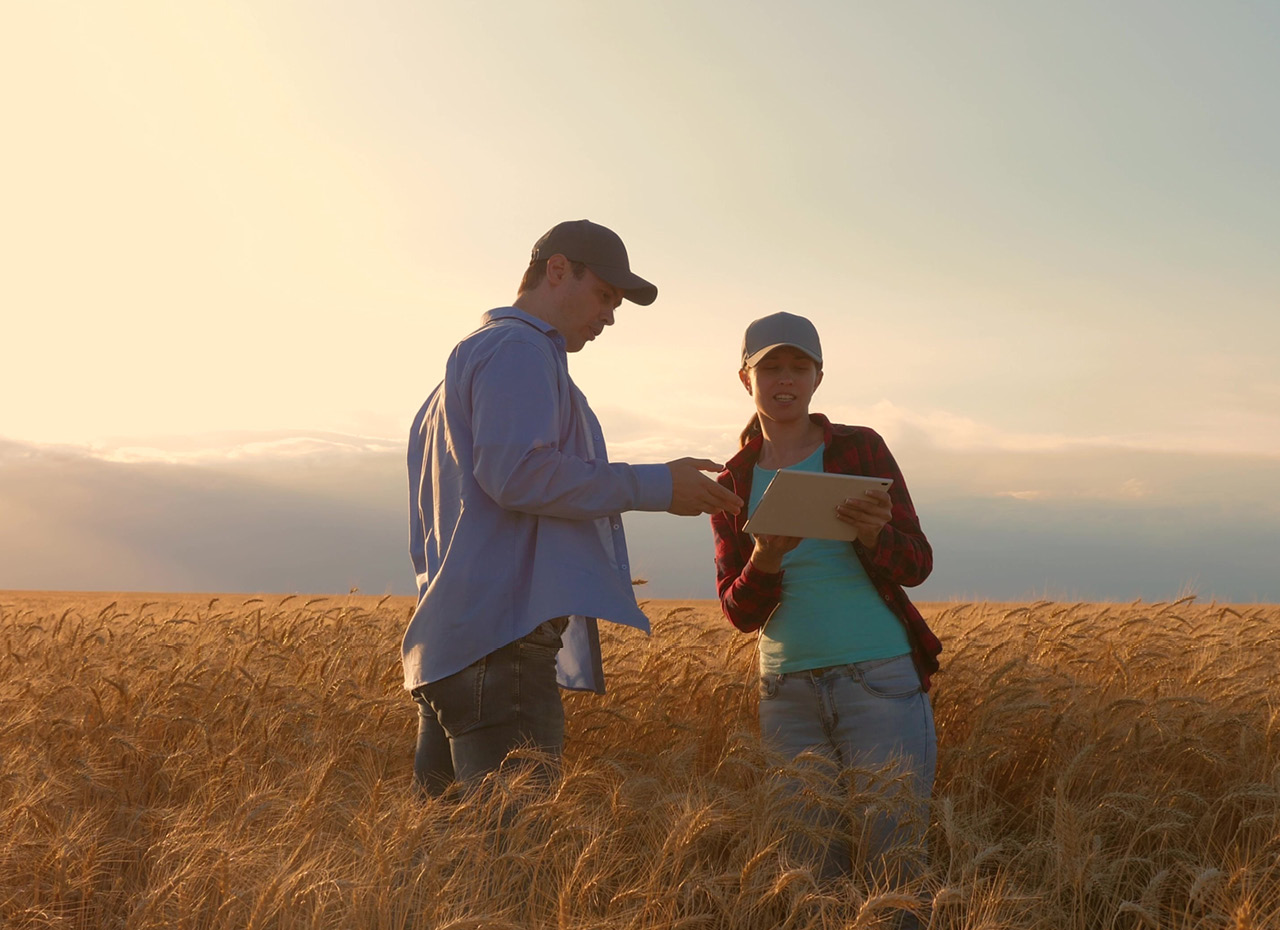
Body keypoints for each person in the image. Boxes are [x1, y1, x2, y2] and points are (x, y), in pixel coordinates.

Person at [405, 219, 743, 796]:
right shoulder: (520, 349)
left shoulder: (462, 368)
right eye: (605, 295)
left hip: (450, 648)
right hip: (498, 644)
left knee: (454, 866)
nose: (610, 315)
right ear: (557, 270)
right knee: (515, 861)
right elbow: (519, 475)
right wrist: (658, 487)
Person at [710, 312, 942, 898]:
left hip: (881, 678)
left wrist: (873, 536)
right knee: (809, 869)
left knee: (895, 862)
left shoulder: (860, 449)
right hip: (786, 692)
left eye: (798, 367)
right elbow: (738, 615)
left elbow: (917, 563)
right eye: (770, 369)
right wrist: (763, 560)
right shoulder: (732, 482)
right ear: (745, 379)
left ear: (817, 378)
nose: (784, 380)